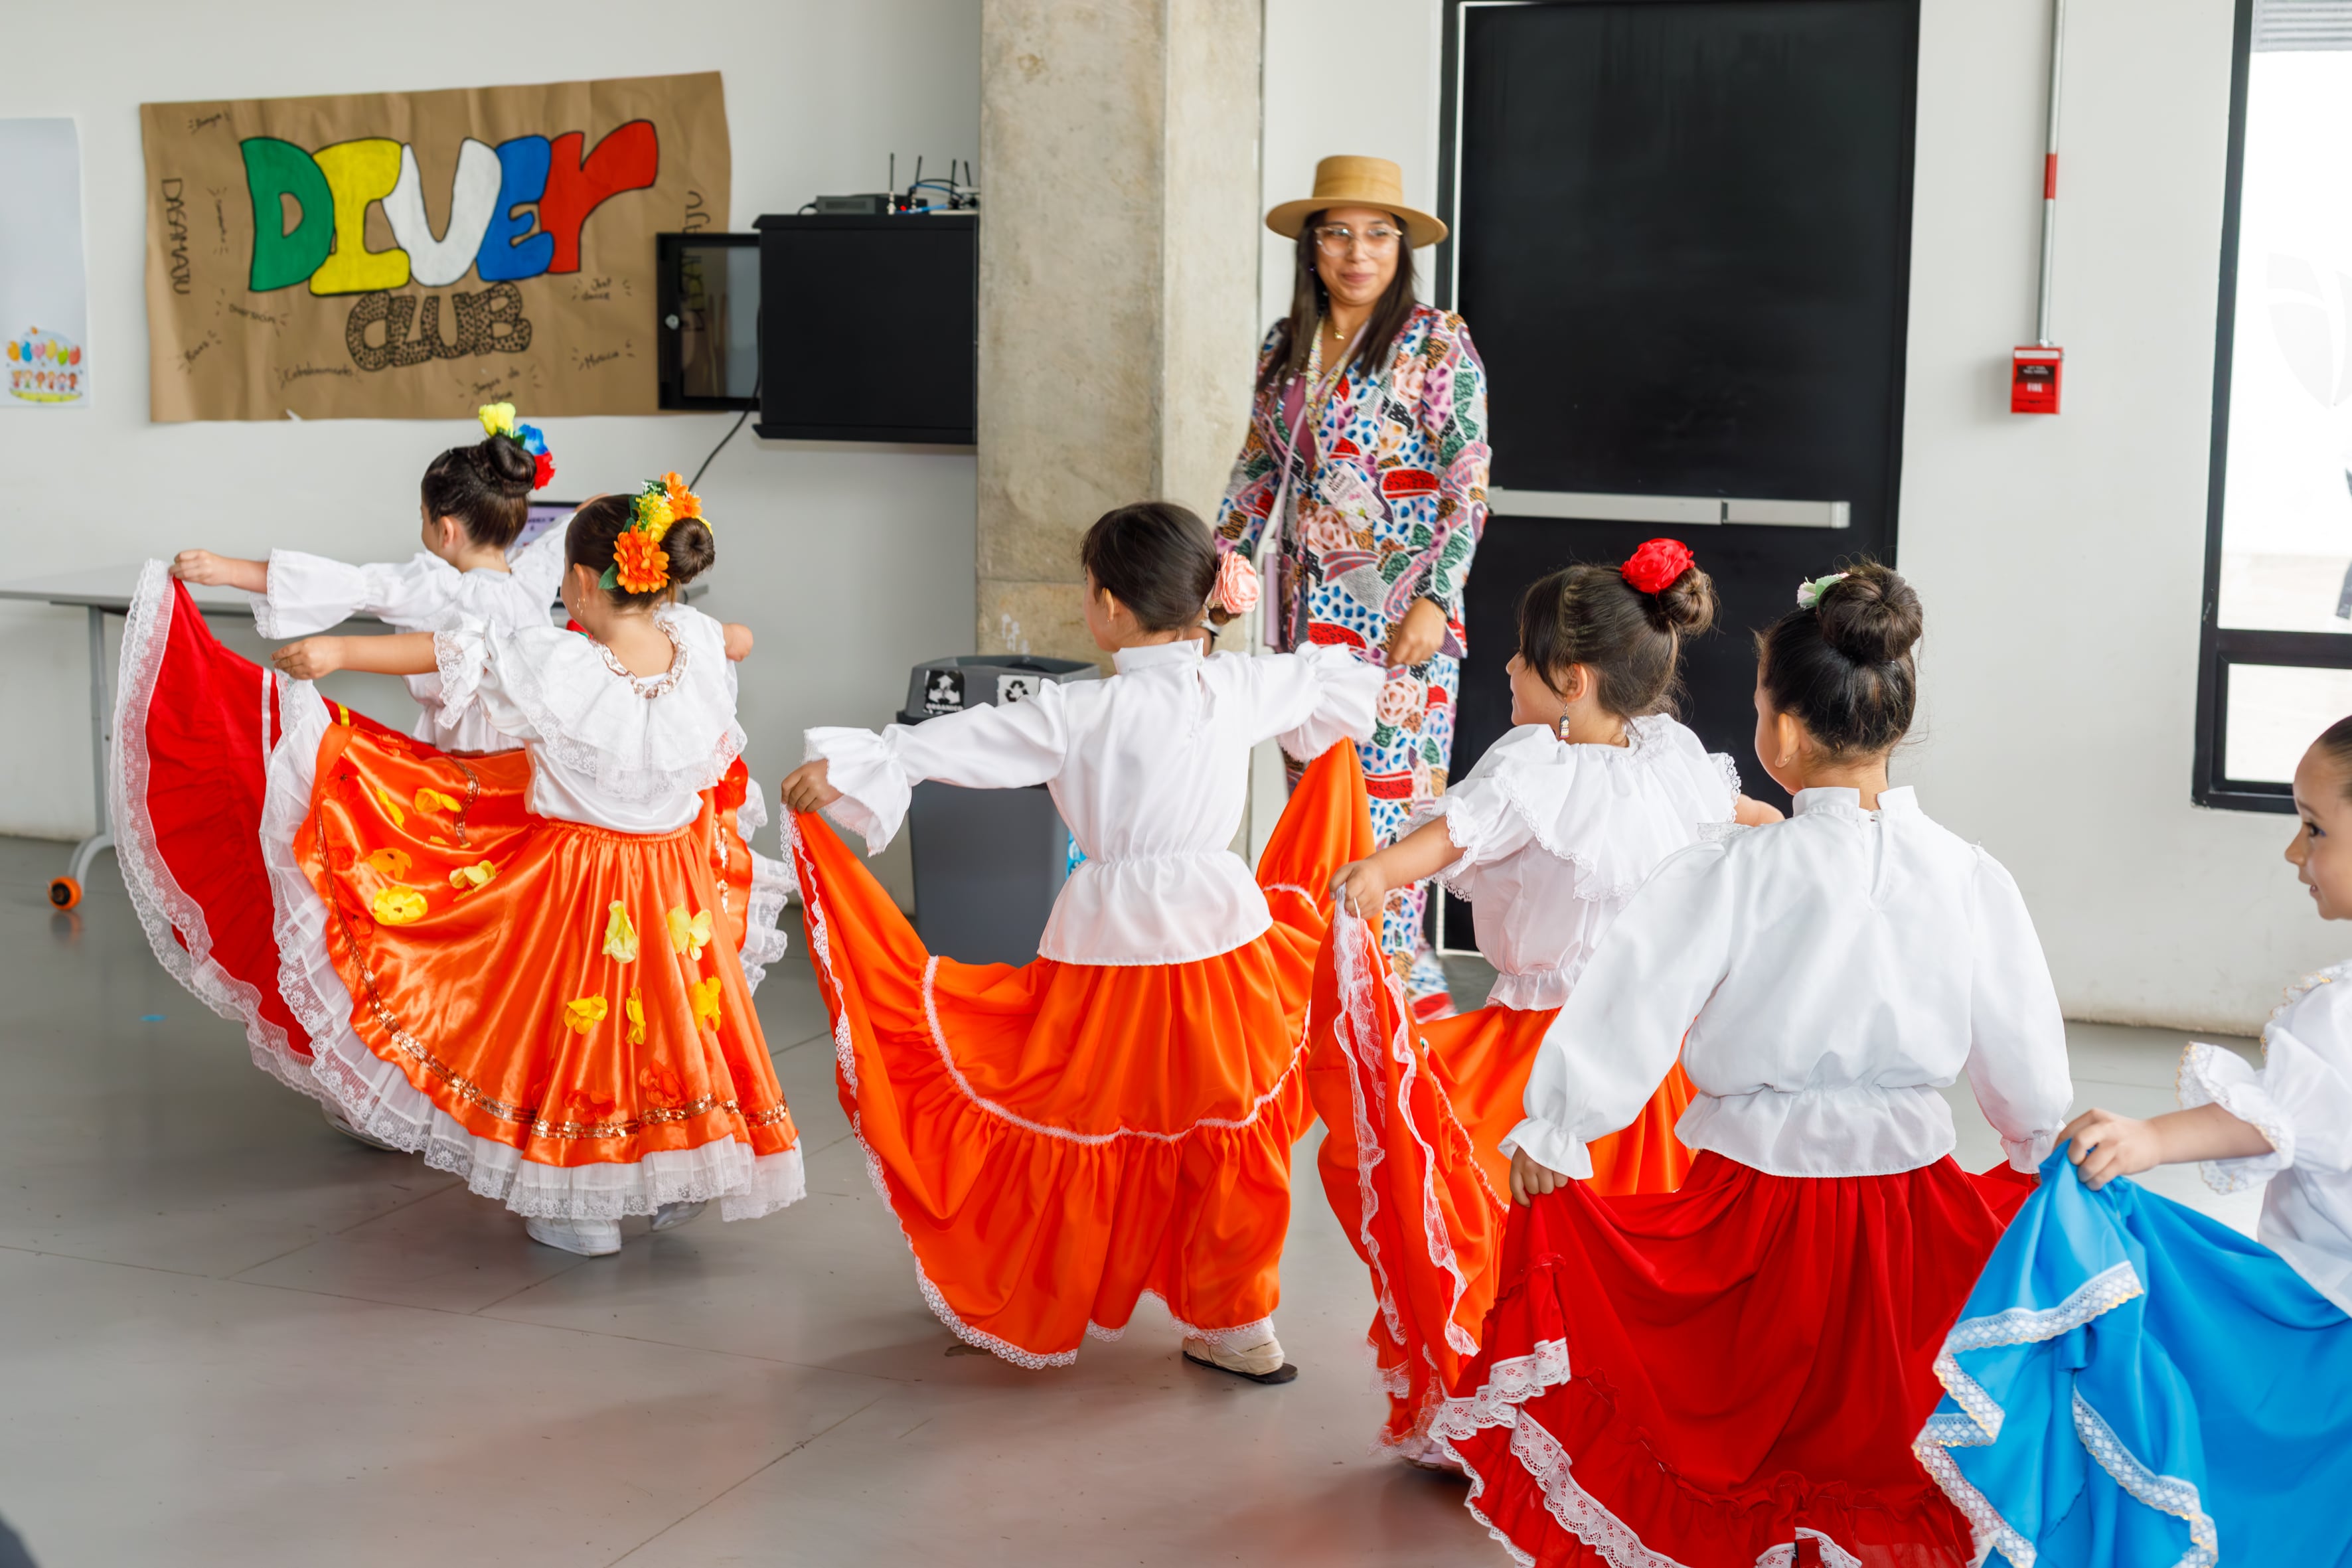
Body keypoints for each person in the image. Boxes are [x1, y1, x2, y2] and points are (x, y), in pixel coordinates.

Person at [1431, 564, 2075, 1567]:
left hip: (1751, 1209)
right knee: (1883, 1437)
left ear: (1775, 733)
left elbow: (1633, 999)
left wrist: (1561, 1124)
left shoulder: (1731, 869)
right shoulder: (1966, 874)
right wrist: (2037, 1145)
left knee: (1729, 1430)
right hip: (1909, 1211)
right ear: (1891, 717)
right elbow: (2022, 1056)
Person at [114, 476, 801, 1257]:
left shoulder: (562, 665)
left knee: (579, 1036)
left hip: (581, 885)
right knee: (672, 1026)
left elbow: (450, 653)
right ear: (664, 586)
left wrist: (340, 650)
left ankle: (584, 1206)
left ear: (579, 584)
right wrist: (719, 631)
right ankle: (679, 1176)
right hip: (675, 888)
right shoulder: (698, 647)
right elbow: (735, 637)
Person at [782, 502, 1378, 1379]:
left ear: (1102, 605)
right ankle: (1238, 1320)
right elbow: (1324, 685)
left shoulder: (1079, 710)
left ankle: (1039, 1291)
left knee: (1072, 1114)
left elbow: (954, 740)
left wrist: (854, 765)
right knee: (1223, 1122)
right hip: (1226, 938)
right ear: (1204, 597)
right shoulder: (1240, 683)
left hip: (1110, 948)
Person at [1306, 539, 1781, 1464]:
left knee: (1582, 1229)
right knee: (1502, 1214)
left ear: (1568, 679)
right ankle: (1512, 1401)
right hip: (1591, 1046)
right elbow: (1451, 837)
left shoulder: (1636, 759)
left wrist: (1808, 832)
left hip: (1596, 1056)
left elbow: (1738, 819)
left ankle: (1595, 1405)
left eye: (1519, 656)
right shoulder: (1554, 765)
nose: (1505, 667)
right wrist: (1377, 875)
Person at [1915, 716, 2352, 1567]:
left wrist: (2147, 1138)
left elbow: (2281, 1115)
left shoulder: (2343, 1013)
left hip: (2319, 1326)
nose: (2294, 854)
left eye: (2316, 828)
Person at [1215, 154, 1489, 1024]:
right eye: (1336, 232)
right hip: (1303, 629)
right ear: (1312, 244)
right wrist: (1218, 575)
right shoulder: (1283, 344)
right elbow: (1258, 469)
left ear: (1399, 246)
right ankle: (1337, 1009)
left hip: (1397, 631)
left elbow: (1467, 480)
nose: (1356, 251)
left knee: (1390, 836)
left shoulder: (1435, 340)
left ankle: (1412, 1025)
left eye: (1376, 233)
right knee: (1321, 823)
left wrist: (1435, 599)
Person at [168, 404, 570, 753]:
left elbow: (346, 583)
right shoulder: (535, 575)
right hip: (534, 768)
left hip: (465, 768)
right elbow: (582, 519)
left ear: (445, 531)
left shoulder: (437, 586)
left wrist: (227, 569)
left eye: (422, 516)